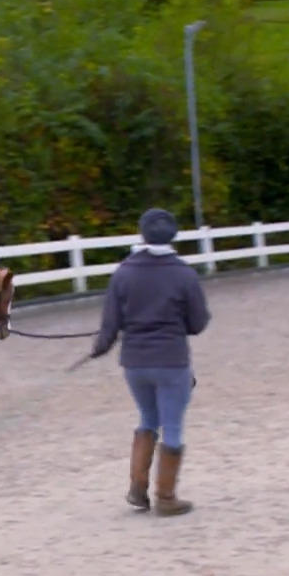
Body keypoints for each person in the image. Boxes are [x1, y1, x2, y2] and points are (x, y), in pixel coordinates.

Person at [87, 207, 211, 516]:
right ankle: (166, 498)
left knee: (147, 418)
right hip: (171, 360)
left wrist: (99, 347)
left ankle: (137, 488)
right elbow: (197, 323)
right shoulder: (184, 273)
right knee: (172, 427)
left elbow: (110, 324)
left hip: (135, 362)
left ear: (142, 233)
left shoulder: (124, 273)